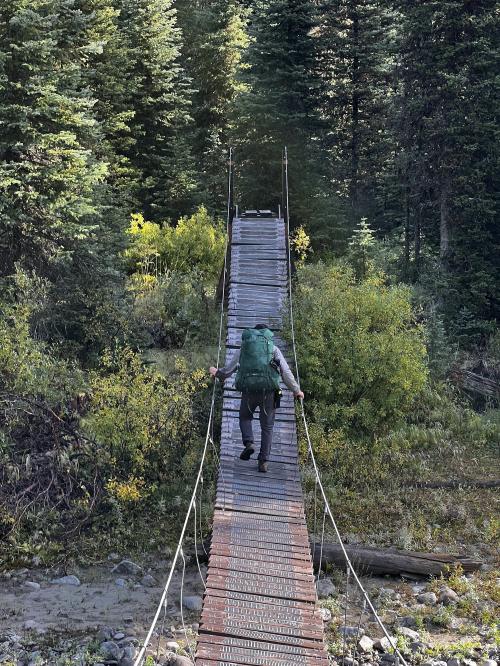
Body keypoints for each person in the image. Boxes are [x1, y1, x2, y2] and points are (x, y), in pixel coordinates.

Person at [209, 324, 304, 473]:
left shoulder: (245, 348)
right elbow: (285, 372)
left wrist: (217, 373)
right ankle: (263, 462)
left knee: (245, 418)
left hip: (249, 391)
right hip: (268, 392)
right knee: (267, 427)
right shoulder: (273, 349)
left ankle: (249, 443)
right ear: (267, 335)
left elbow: (228, 370)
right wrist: (296, 390)